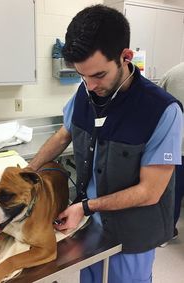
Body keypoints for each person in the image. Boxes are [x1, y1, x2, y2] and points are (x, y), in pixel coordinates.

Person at [28, 5, 183, 283]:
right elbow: (65, 133)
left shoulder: (162, 110)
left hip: (132, 233)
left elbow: (150, 191)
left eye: (98, 75)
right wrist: (28, 171)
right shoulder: (85, 92)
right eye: (81, 75)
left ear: (125, 57)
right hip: (89, 226)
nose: (89, 85)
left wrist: (86, 206)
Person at [158, 62, 184, 246]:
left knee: (173, 192)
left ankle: (168, 232)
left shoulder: (173, 73)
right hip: (177, 147)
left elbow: (156, 105)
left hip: (176, 146)